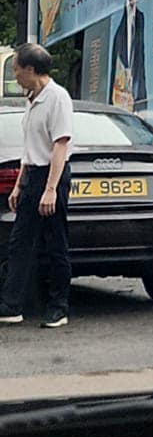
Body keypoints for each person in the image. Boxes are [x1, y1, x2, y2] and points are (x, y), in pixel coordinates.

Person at [0, 44, 74, 328]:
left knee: (55, 242)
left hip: (51, 176)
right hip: (32, 176)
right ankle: (12, 305)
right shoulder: (32, 99)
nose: (15, 76)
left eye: (17, 70)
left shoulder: (57, 98)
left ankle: (59, 307)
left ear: (31, 69)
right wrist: (19, 185)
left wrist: (51, 189)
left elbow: (60, 145)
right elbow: (30, 149)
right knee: (20, 243)